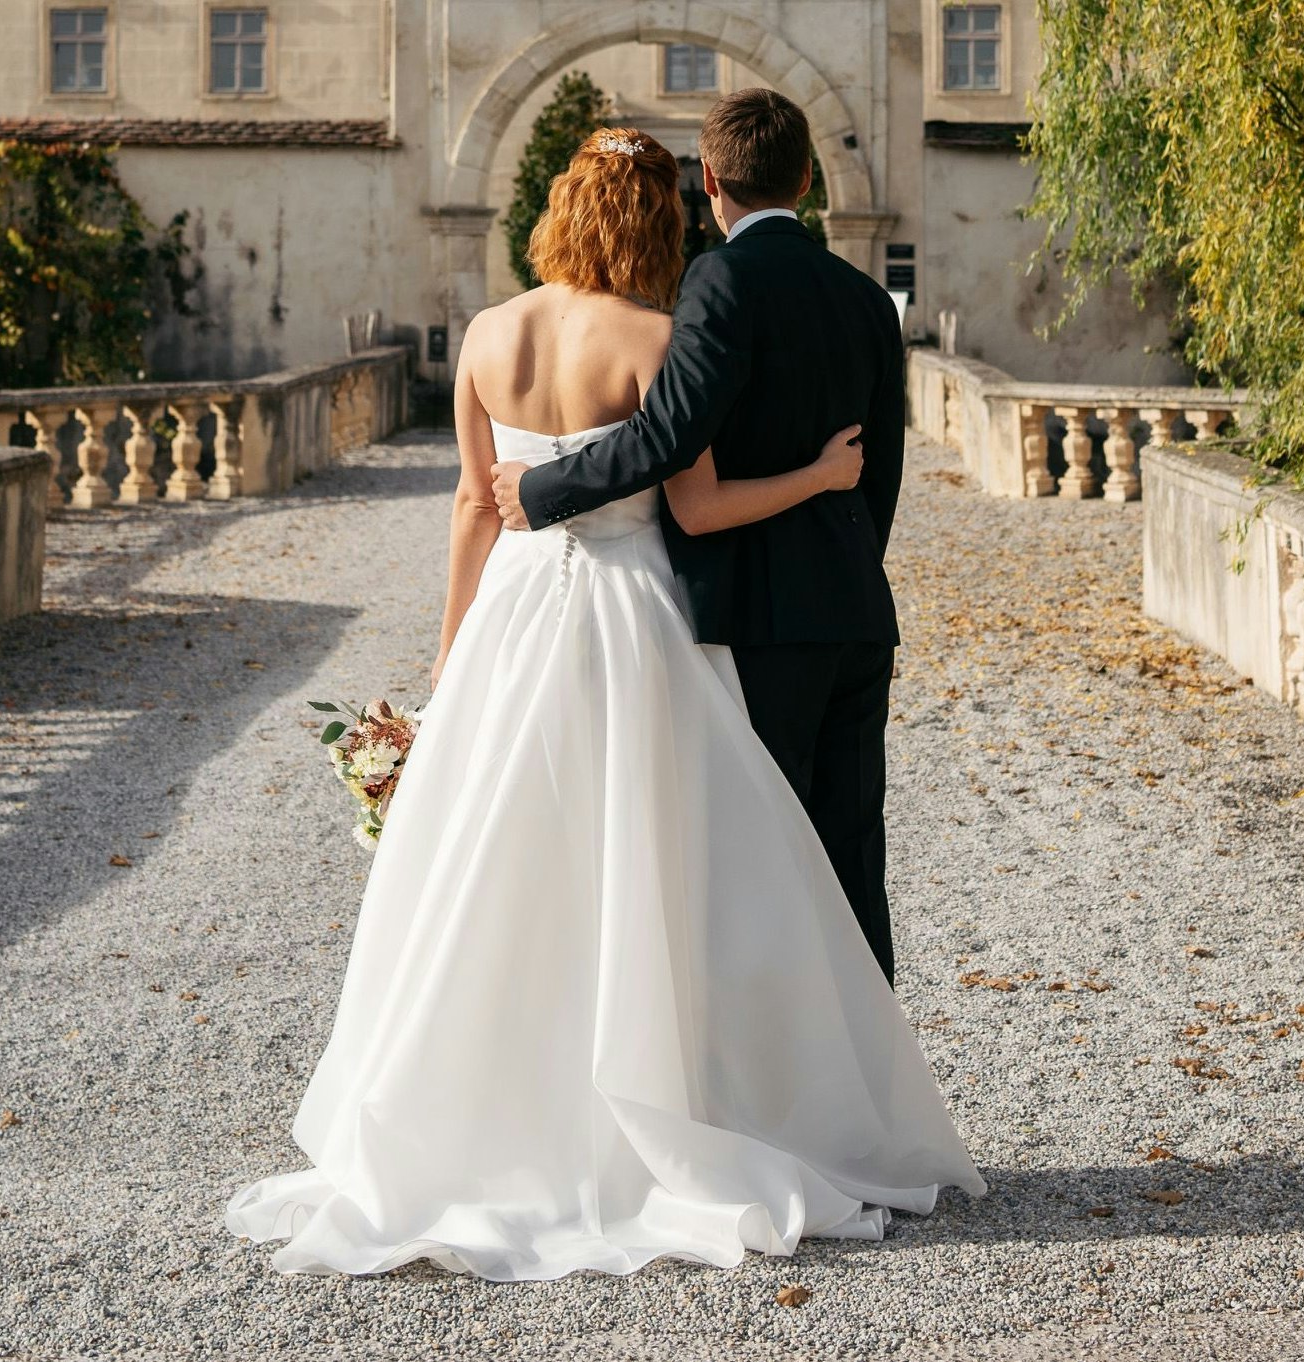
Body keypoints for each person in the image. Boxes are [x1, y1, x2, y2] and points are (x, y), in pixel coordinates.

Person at [225, 125, 983, 1281]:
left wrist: (448, 661)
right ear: (662, 218)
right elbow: (704, 510)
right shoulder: (653, 338)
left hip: (509, 624)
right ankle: (686, 1092)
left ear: (558, 208)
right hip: (631, 623)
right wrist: (825, 480)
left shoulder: (487, 334)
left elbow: (475, 511)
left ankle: (474, 1114)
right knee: (654, 866)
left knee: (493, 862)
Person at [493, 88, 910, 982]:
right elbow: (880, 476)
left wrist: (544, 486)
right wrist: (841, 565)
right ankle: (871, 1080)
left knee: (758, 859)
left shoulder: (718, 281)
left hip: (761, 620)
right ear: (808, 180)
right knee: (852, 855)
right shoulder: (870, 299)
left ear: (710, 181)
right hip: (855, 613)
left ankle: (774, 1072)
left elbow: (669, 436)